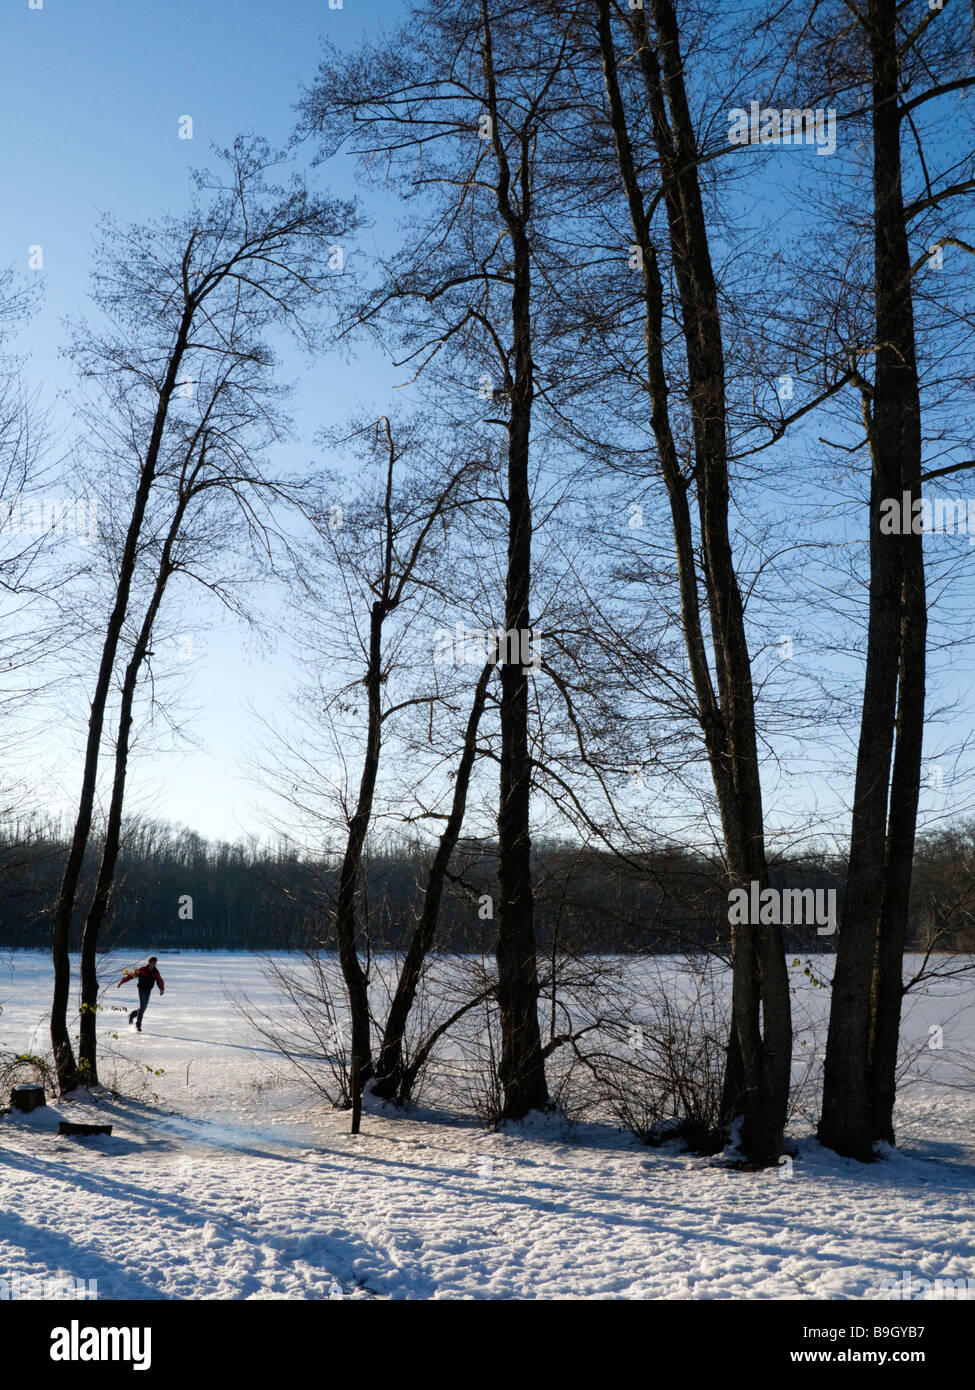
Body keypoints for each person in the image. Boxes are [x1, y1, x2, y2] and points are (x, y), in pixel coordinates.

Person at [117, 956, 165, 1032]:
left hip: (148, 990)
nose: (153, 965)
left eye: (155, 964)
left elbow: (160, 980)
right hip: (141, 989)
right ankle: (138, 1025)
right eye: (152, 963)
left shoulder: (156, 972)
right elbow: (131, 976)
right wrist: (122, 982)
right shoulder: (142, 970)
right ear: (149, 963)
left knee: (143, 1008)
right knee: (143, 1007)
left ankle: (132, 1015)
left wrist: (161, 989)